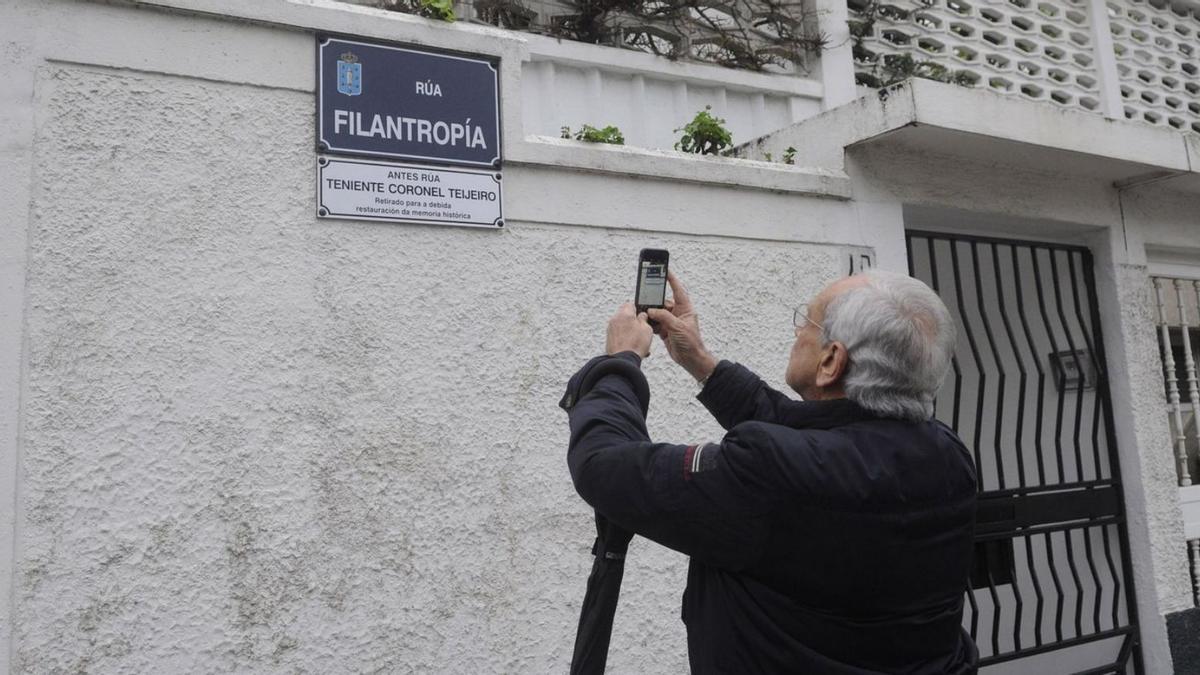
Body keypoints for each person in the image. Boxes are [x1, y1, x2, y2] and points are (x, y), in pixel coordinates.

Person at [561, 269, 979, 674]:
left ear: (831, 360)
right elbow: (810, 432)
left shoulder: (769, 472)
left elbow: (602, 465)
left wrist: (620, 361)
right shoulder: (948, 457)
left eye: (807, 322)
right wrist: (702, 362)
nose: (797, 332)